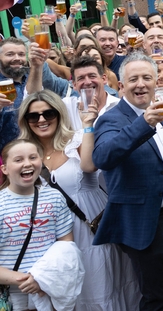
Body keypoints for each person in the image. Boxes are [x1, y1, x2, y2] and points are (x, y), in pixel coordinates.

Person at [16, 90, 139, 309]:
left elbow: (89, 165)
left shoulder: (78, 139)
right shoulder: (25, 151)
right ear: (26, 121)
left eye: (48, 113)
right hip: (51, 234)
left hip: (89, 225)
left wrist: (88, 124)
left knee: (101, 284)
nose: (41, 120)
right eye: (33, 116)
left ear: (59, 114)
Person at [92, 52, 163, 310]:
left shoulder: (160, 111)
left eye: (147, 78)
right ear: (121, 86)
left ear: (157, 82)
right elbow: (103, 156)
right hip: (145, 221)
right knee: (157, 296)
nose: (141, 84)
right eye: (133, 79)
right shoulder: (111, 119)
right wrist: (143, 123)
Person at [0, 140, 75, 311]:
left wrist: (42, 280)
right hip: (11, 299)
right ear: (4, 169)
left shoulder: (54, 197)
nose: (27, 163)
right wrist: (29, 280)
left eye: (32, 157)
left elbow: (67, 248)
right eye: (18, 160)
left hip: (50, 293)